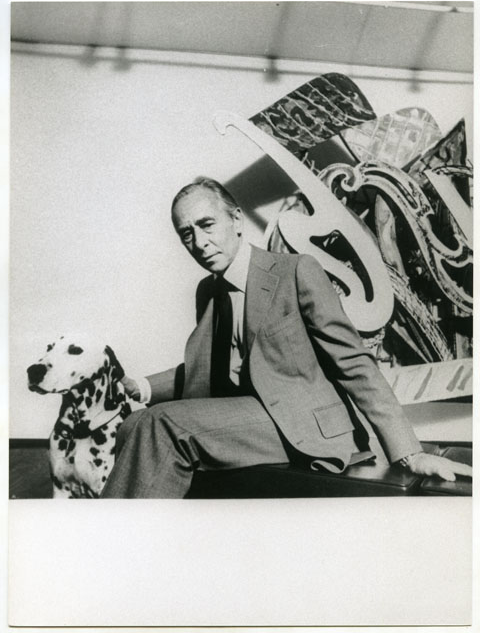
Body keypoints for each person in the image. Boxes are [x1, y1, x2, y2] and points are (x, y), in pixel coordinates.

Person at [101, 178, 472, 498]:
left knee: (159, 425)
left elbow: (355, 364)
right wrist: (143, 387)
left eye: (207, 225)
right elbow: (212, 366)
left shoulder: (295, 272)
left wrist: (409, 452)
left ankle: (117, 542)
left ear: (236, 220)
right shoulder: (208, 291)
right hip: (252, 422)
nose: (199, 242)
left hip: (304, 425)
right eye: (187, 233)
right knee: (133, 424)